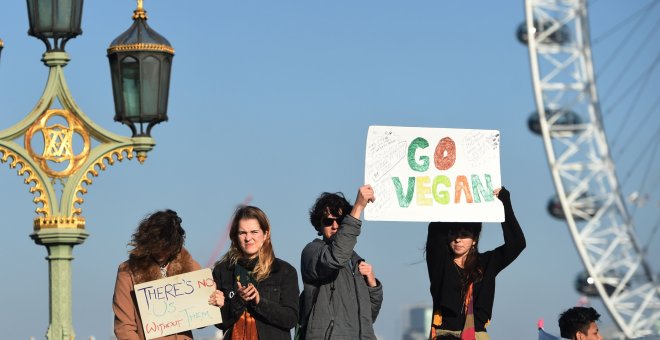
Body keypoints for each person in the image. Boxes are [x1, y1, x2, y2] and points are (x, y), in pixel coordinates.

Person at [426, 187, 526, 340]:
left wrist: (504, 203)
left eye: (464, 234)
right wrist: (451, 195)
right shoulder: (440, 262)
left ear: (474, 239)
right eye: (453, 234)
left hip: (477, 335)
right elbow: (435, 231)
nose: (458, 239)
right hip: (445, 335)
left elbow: (517, 244)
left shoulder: (487, 263)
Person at [299, 184, 383, 340]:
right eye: (328, 221)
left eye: (340, 220)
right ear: (319, 225)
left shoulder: (356, 262)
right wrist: (358, 208)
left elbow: (366, 319)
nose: (335, 226)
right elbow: (336, 257)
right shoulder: (312, 252)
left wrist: (373, 285)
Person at [209, 205, 299, 340]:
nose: (248, 238)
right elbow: (219, 323)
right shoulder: (222, 271)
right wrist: (237, 300)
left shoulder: (284, 271)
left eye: (254, 232)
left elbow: (290, 319)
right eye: (242, 233)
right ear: (235, 236)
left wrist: (259, 302)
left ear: (266, 234)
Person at [113, 209, 201, 340]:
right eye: (156, 246)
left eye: (166, 247)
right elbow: (124, 327)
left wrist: (214, 301)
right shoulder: (127, 272)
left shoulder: (190, 265)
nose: (161, 252)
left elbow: (202, 319)